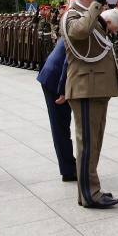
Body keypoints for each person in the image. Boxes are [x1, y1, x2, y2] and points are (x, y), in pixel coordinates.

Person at [61, 0, 118, 209]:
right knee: (87, 144)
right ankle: (89, 195)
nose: (104, 0)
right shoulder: (73, 15)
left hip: (96, 88)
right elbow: (78, 32)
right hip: (85, 88)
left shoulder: (89, 14)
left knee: (94, 143)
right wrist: (96, 5)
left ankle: (91, 189)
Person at [37, 35, 77, 181]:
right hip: (56, 79)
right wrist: (62, 90)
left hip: (54, 73)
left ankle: (69, 166)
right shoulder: (85, 27)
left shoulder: (80, 24)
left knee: (61, 125)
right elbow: (68, 61)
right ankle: (68, 170)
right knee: (60, 125)